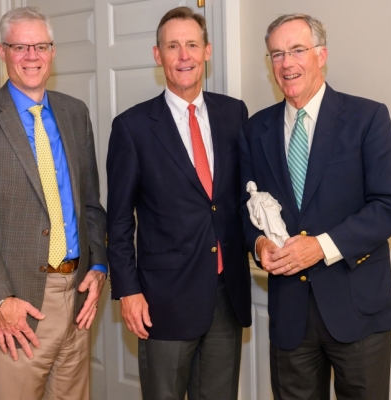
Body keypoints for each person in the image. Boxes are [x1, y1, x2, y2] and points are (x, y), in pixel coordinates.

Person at [239, 14, 391, 400]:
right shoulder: (255, 130)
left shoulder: (366, 118)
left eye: (297, 50)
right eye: (277, 54)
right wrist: (258, 244)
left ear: (321, 55)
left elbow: (390, 204)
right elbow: (244, 209)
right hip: (290, 320)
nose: (286, 63)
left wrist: (321, 246)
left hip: (358, 311)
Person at [0, 6, 107, 400]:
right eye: (20, 46)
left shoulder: (74, 112)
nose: (31, 56)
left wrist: (100, 264)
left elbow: (90, 204)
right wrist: (0, 299)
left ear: (53, 52)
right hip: (16, 309)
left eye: (40, 46)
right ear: (2, 51)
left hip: (76, 298)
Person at [106, 7, 251, 400]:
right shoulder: (132, 128)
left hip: (226, 294)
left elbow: (241, 198)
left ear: (207, 51)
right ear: (158, 55)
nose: (183, 55)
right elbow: (118, 220)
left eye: (191, 45)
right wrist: (128, 290)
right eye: (173, 46)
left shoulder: (233, 113)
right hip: (162, 298)